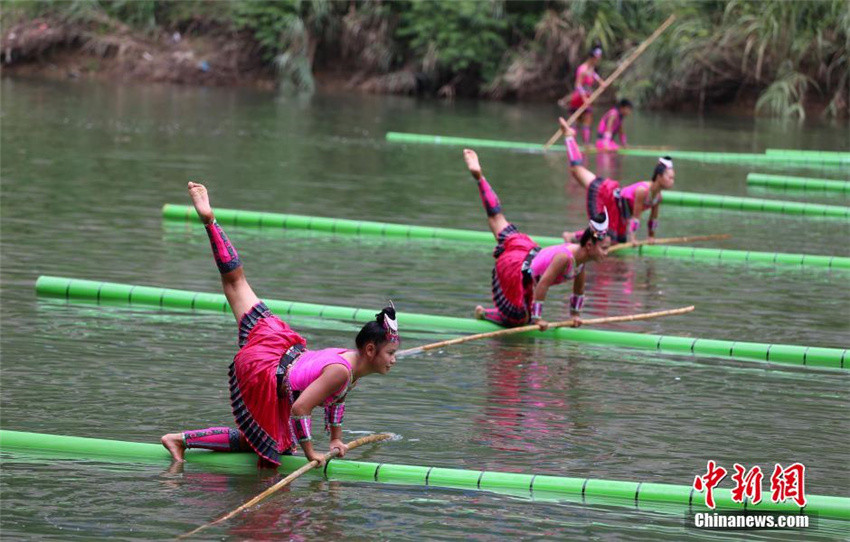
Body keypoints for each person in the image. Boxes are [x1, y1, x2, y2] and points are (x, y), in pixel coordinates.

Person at [161, 182, 399, 467]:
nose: (394, 360)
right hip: (267, 369)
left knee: (236, 283)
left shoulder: (350, 364)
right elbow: (299, 410)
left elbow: (337, 401)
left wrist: (335, 439)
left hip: (275, 343)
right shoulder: (342, 371)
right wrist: (311, 453)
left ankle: (210, 221)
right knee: (273, 452)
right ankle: (180, 440)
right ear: (371, 350)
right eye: (391, 353)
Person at [462, 149, 609, 330]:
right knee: (521, 319)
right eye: (603, 248)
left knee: (497, 218)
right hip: (518, 270)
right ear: (589, 245)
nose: (606, 252)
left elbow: (579, 291)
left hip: (526, 250)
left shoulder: (581, 262)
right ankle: (485, 313)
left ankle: (480, 179)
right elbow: (543, 284)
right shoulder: (566, 257)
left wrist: (575, 316)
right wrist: (537, 318)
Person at [560, 117, 675, 245]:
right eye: (669, 177)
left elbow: (653, 220)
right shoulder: (643, 191)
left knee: (617, 240)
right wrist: (633, 239)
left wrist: (651, 237)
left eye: (672, 178)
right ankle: (572, 236)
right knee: (604, 236)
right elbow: (635, 218)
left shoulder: (657, 197)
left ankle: (569, 136)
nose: (672, 181)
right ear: (659, 177)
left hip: (619, 211)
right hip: (606, 196)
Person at [559, 46, 604, 145]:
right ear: (592, 58)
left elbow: (593, 75)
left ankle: (585, 144)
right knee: (577, 121)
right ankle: (574, 143)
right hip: (579, 98)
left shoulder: (591, 68)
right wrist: (584, 98)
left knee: (586, 121)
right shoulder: (582, 69)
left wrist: (601, 82)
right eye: (597, 58)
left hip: (585, 98)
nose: (598, 60)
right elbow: (578, 85)